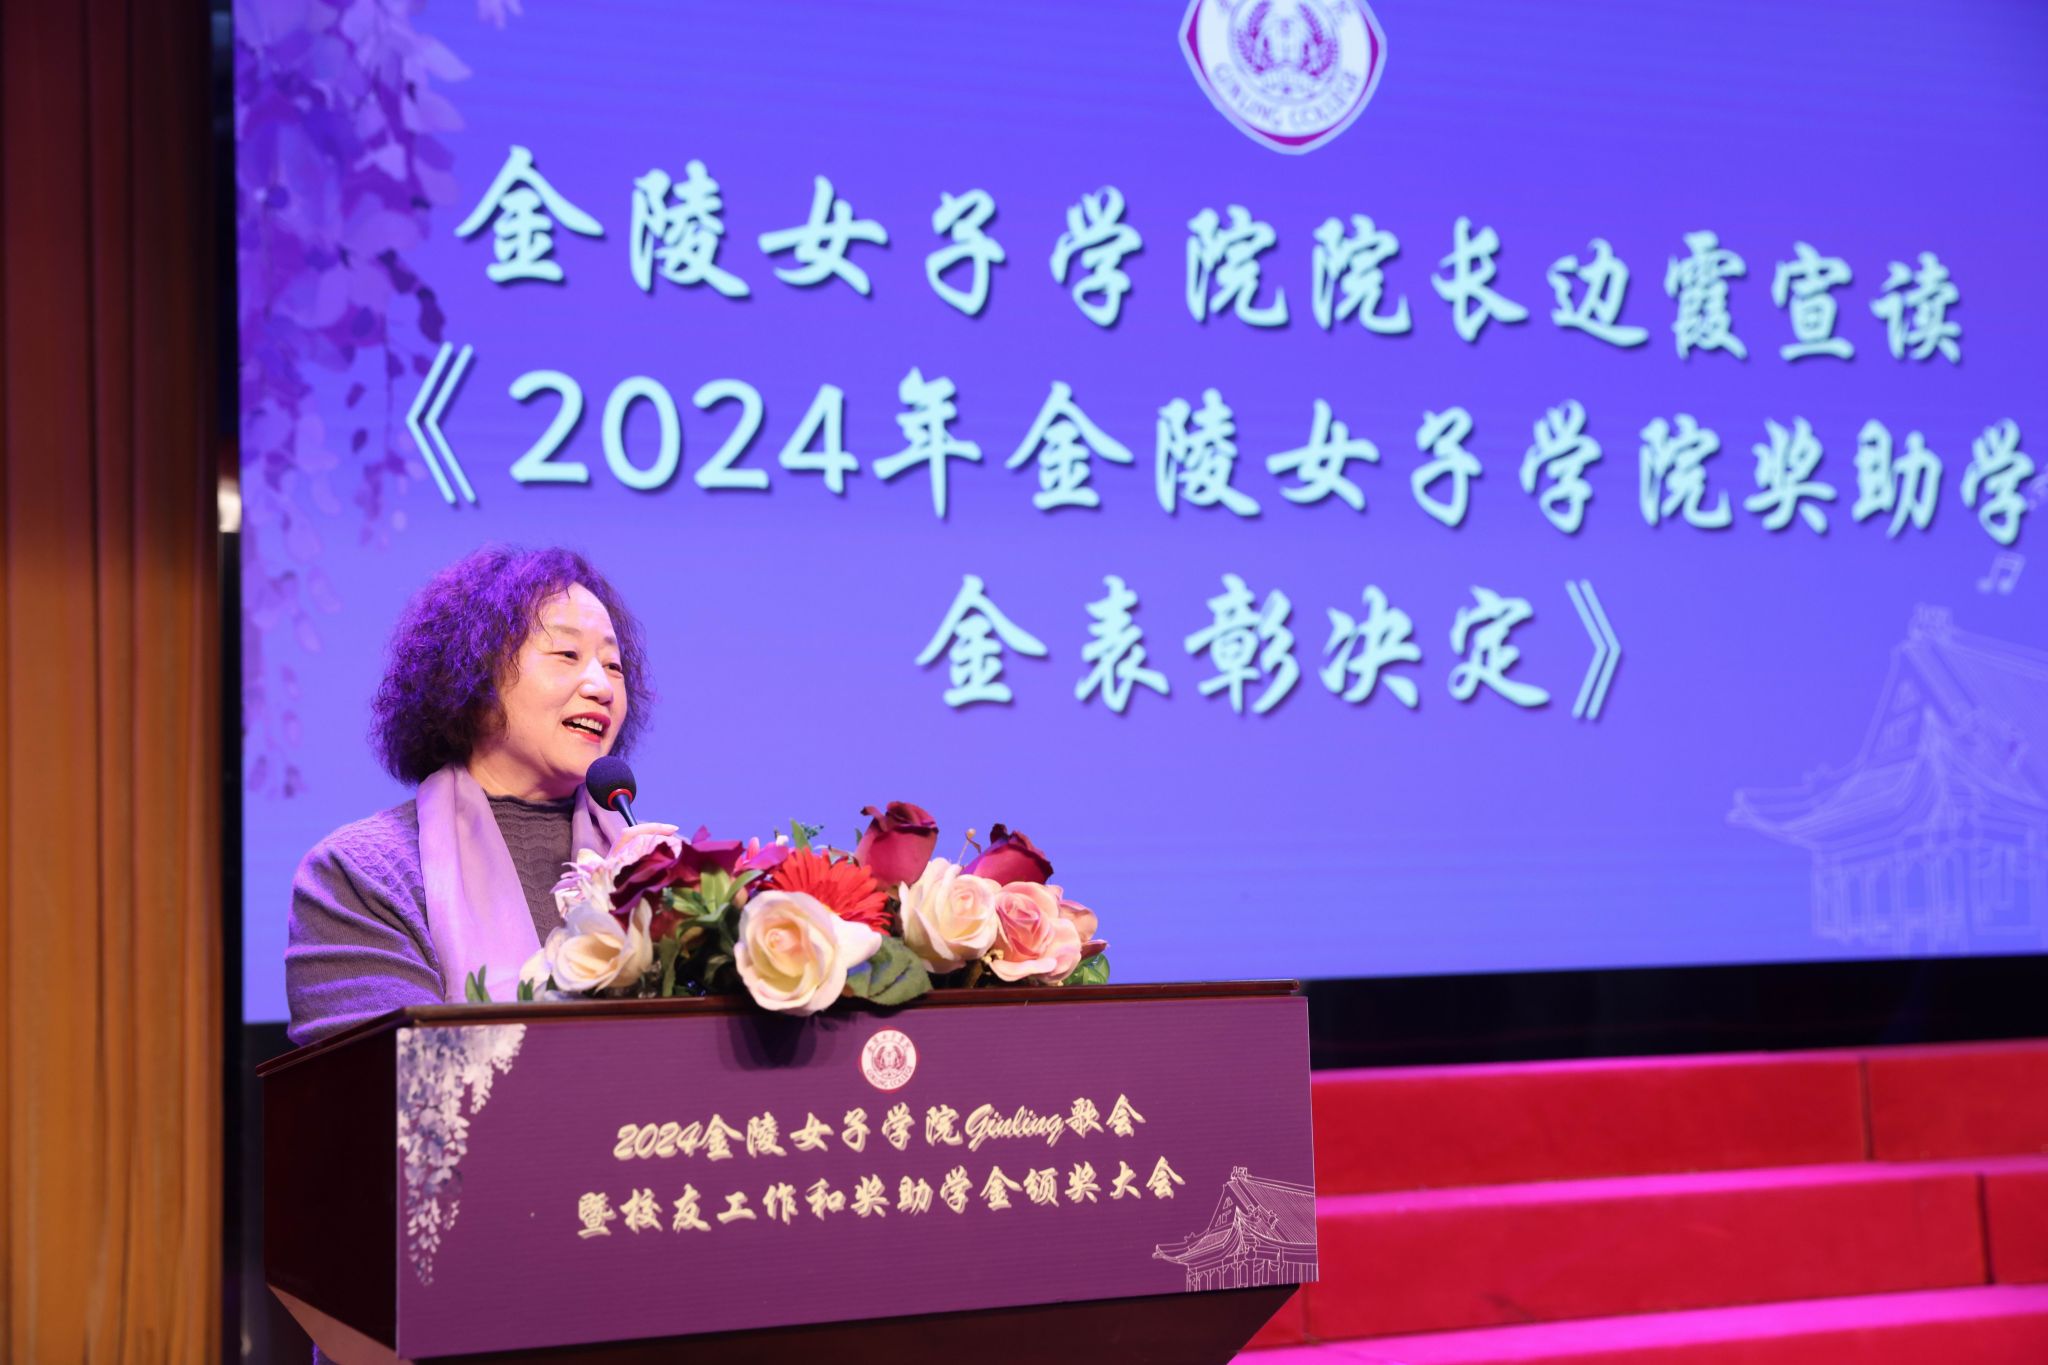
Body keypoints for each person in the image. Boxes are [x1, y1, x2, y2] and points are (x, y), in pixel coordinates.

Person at [284, 545, 662, 1045]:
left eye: (613, 666)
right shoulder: (362, 873)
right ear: (473, 676)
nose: (601, 687)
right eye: (567, 655)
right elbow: (390, 1076)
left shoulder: (653, 863)